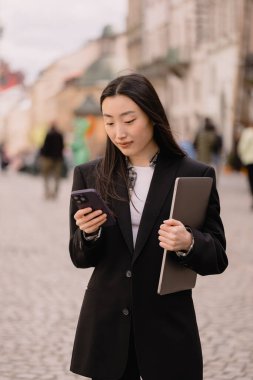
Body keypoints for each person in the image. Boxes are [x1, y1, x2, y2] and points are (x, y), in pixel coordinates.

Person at [69, 73, 228, 380]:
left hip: (168, 329)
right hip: (107, 329)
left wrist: (189, 242)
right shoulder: (90, 175)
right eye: (110, 121)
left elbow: (218, 257)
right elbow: (79, 257)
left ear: (152, 116)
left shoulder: (195, 174)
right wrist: (89, 234)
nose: (119, 132)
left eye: (129, 120)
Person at [40, 123, 64, 199]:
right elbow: (62, 146)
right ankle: (55, 193)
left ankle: (47, 192)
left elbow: (45, 147)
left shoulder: (48, 135)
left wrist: (43, 155)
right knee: (57, 177)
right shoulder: (60, 135)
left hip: (48, 159)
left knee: (46, 176)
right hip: (58, 158)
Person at [237, 124, 253, 209]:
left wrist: (241, 156)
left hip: (249, 160)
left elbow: (242, 146)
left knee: (251, 180)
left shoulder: (247, 133)